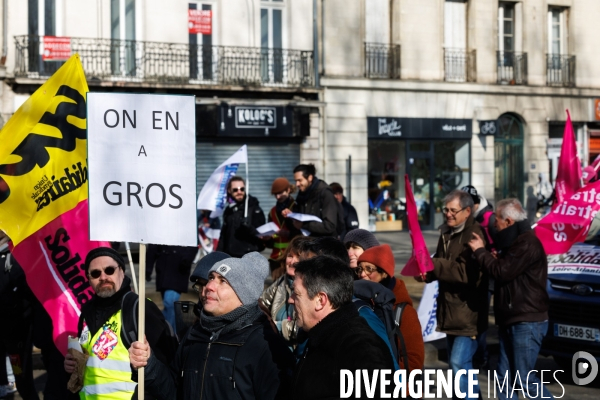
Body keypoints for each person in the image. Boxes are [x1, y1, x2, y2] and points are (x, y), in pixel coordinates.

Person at [129, 252, 295, 400]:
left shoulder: (266, 346)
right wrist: (149, 365)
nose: (208, 287)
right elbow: (173, 391)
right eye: (211, 279)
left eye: (223, 281)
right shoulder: (195, 334)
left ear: (243, 294)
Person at [468, 199, 553, 400]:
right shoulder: (515, 242)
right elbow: (509, 268)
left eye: (496, 220)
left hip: (526, 320)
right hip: (512, 317)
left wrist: (480, 251)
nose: (494, 225)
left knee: (524, 380)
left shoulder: (526, 243)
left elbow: (502, 272)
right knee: (504, 379)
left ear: (508, 221)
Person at [64, 247, 176, 399]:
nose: (103, 277)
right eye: (96, 273)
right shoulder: (86, 312)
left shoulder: (140, 308)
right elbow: (92, 361)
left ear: (122, 272)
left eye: (109, 270)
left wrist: (148, 361)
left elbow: (168, 367)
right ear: (89, 279)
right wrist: (74, 365)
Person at [289, 255, 395, 399]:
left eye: (296, 294)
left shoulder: (362, 349)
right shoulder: (319, 335)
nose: (290, 299)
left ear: (320, 300)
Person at [416, 190, 488, 399]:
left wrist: (434, 264)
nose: (448, 214)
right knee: (460, 366)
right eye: (445, 210)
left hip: (468, 312)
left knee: (459, 363)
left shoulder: (474, 235)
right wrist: (426, 275)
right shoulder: (446, 232)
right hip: (449, 310)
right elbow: (439, 263)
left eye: (453, 210)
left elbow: (465, 273)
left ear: (467, 211)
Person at [356, 244, 424, 371]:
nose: (362, 274)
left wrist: (388, 380)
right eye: (359, 269)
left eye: (369, 269)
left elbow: (414, 361)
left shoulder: (403, 311)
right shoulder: (359, 302)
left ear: (385, 273)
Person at [260, 236, 312, 346]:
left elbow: (303, 327)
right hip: (275, 344)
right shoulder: (281, 282)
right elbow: (261, 304)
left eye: (298, 258)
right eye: (290, 256)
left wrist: (273, 327)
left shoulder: (310, 287)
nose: (292, 262)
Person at [146, 244, 198, 329]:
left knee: (169, 303)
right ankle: (173, 334)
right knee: (171, 307)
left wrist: (187, 259)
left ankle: (166, 333)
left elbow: (193, 242)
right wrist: (148, 268)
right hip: (163, 268)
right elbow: (153, 247)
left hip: (178, 269)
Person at [282, 164, 341, 237]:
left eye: (300, 180)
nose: (297, 184)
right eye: (296, 181)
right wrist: (291, 215)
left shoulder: (325, 194)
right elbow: (299, 218)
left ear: (310, 177)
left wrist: (304, 225)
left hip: (324, 244)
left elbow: (330, 226)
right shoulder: (302, 194)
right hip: (308, 243)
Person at [217, 176, 266, 257]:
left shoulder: (253, 208)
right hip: (230, 256)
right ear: (229, 191)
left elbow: (262, 234)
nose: (239, 192)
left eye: (242, 189)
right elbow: (224, 235)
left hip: (248, 256)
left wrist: (249, 227)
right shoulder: (229, 210)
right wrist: (218, 254)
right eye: (235, 190)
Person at [264, 177, 300, 277]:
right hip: (276, 259)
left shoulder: (296, 207)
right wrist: (267, 238)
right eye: (275, 194)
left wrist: (288, 234)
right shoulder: (272, 211)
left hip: (293, 258)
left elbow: (303, 232)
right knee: (276, 290)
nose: (278, 197)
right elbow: (272, 236)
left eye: (280, 193)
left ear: (288, 190)